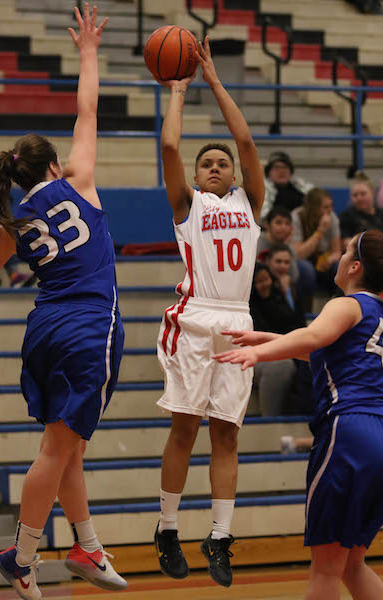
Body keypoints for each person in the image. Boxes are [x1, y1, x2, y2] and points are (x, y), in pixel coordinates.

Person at [0, 5, 127, 598]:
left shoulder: (11, 223)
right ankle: (22, 556)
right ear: (52, 165)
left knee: (69, 444)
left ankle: (87, 547)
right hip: (88, 326)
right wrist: (90, 52)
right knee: (56, 448)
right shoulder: (80, 179)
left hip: (43, 327)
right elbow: (87, 110)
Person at [214, 229, 383, 600]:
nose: (336, 256)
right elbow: (329, 354)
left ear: (355, 266)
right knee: (353, 566)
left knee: (324, 571)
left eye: (344, 251)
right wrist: (270, 340)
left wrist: (257, 355)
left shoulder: (346, 304)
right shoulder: (376, 314)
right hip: (378, 437)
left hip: (349, 432)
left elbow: (311, 338)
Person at [154, 36, 265, 588]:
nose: (217, 166)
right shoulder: (189, 206)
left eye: (223, 163)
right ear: (198, 179)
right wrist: (178, 91)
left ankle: (219, 537)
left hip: (237, 321)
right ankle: (168, 527)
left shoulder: (250, 203)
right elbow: (170, 149)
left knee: (228, 436)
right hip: (196, 317)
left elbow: (246, 139)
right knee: (186, 429)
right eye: (209, 164)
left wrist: (215, 83)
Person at [249, 262, 302, 416]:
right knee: (281, 366)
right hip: (263, 354)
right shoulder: (249, 306)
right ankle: (269, 420)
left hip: (290, 350)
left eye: (266, 279)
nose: (264, 285)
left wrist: (286, 293)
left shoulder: (280, 297)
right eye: (258, 282)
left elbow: (299, 325)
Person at [292, 188, 341, 308]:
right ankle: (304, 311)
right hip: (303, 260)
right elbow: (299, 254)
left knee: (341, 265)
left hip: (323, 258)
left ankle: (338, 306)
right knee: (305, 268)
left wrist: (329, 260)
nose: (329, 210)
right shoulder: (297, 216)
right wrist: (320, 231)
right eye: (325, 207)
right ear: (313, 208)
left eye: (331, 206)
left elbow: (337, 251)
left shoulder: (332, 217)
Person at [260, 151, 313, 221]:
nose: (281, 171)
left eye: (285, 167)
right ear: (269, 173)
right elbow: (263, 216)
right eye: (276, 167)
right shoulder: (263, 189)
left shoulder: (300, 186)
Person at [340, 172, 383, 250]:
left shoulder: (381, 214)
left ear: (372, 192)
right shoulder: (346, 216)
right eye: (355, 195)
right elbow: (346, 243)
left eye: (363, 194)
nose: (359, 198)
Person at [257, 206, 299, 283]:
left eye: (287, 224)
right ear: (267, 224)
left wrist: (285, 247)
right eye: (278, 223)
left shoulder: (288, 246)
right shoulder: (257, 241)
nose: (283, 227)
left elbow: (294, 277)